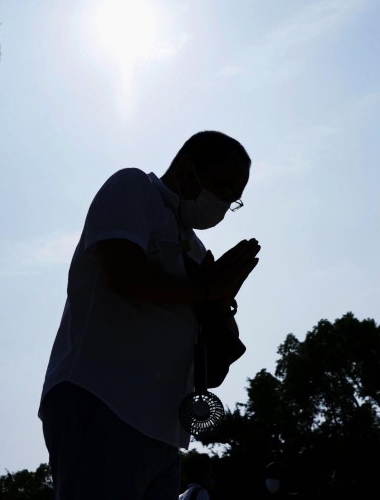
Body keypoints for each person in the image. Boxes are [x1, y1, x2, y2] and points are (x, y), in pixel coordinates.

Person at [38, 131, 261, 500]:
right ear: (188, 166)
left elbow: (215, 368)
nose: (223, 201)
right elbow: (124, 275)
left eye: (232, 197)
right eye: (220, 186)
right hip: (104, 403)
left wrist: (221, 305)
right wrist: (206, 290)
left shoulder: (197, 249)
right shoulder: (133, 188)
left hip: (163, 433)